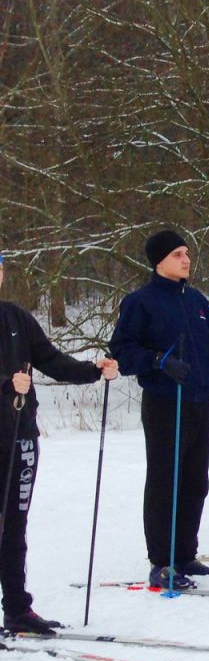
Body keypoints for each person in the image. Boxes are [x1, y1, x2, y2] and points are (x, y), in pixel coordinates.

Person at [109, 230, 209, 590]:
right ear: (159, 260)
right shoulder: (141, 302)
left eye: (187, 253)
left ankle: (185, 554)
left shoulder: (196, 299)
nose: (186, 259)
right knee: (167, 480)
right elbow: (121, 349)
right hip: (166, 401)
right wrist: (157, 361)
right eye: (178, 254)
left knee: (196, 480)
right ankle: (162, 561)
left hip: (198, 398)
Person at [0, 253, 118, 634]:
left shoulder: (16, 317)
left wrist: (93, 371)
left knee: (14, 526)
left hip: (19, 435)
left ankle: (17, 609)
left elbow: (50, 359)